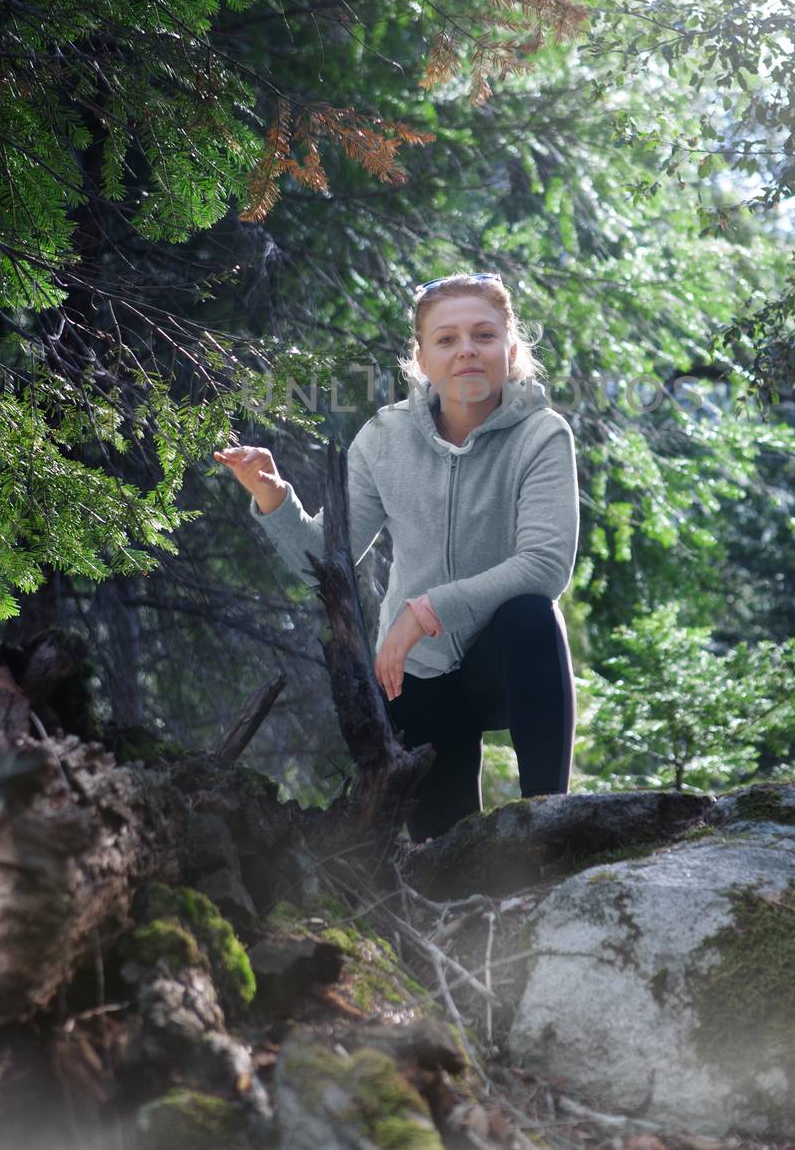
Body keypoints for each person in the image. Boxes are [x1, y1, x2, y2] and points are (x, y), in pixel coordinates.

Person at [213, 271, 579, 841]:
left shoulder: (541, 435)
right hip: (418, 675)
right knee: (444, 855)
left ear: (510, 348)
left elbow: (545, 566)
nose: (466, 351)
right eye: (446, 339)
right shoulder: (385, 438)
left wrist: (426, 609)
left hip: (504, 665)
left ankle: (550, 827)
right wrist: (273, 496)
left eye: (483, 335)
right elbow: (327, 559)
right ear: (421, 358)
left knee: (533, 615)